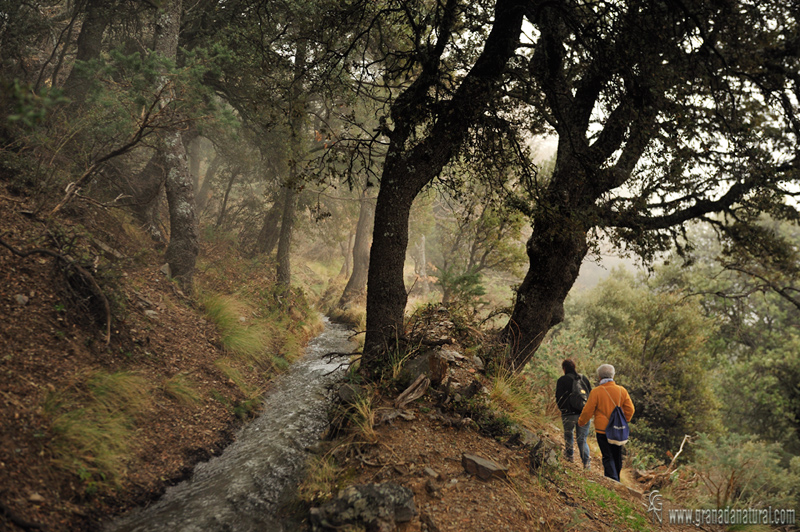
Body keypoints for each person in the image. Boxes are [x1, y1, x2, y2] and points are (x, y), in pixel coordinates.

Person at [578, 364, 635, 482]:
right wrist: (623, 421)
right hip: (617, 429)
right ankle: (616, 479)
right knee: (617, 455)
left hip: (602, 430)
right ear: (613, 375)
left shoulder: (596, 392)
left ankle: (612, 481)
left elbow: (588, 410)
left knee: (607, 456)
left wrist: (581, 421)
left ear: (599, 377)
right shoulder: (621, 390)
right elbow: (631, 410)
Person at [555, 359, 592, 469]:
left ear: (564, 368)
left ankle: (569, 456)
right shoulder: (583, 378)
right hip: (583, 414)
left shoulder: (562, 380)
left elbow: (559, 397)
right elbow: (590, 395)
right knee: (582, 439)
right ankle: (586, 463)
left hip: (569, 413)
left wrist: (563, 409)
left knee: (568, 434)